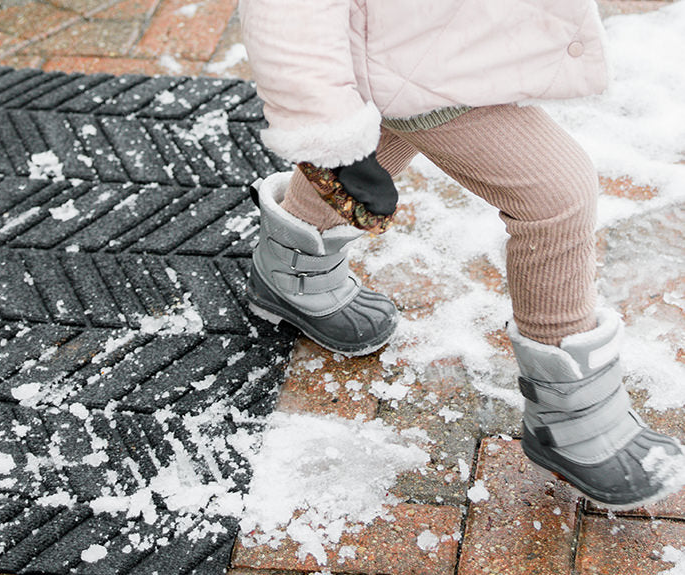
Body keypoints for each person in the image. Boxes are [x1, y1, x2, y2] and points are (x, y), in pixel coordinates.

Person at [238, 0, 684, 510]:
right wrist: (328, 134)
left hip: (436, 46)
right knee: (558, 196)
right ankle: (573, 419)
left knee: (383, 133)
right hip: (415, 55)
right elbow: (288, 14)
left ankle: (293, 272)